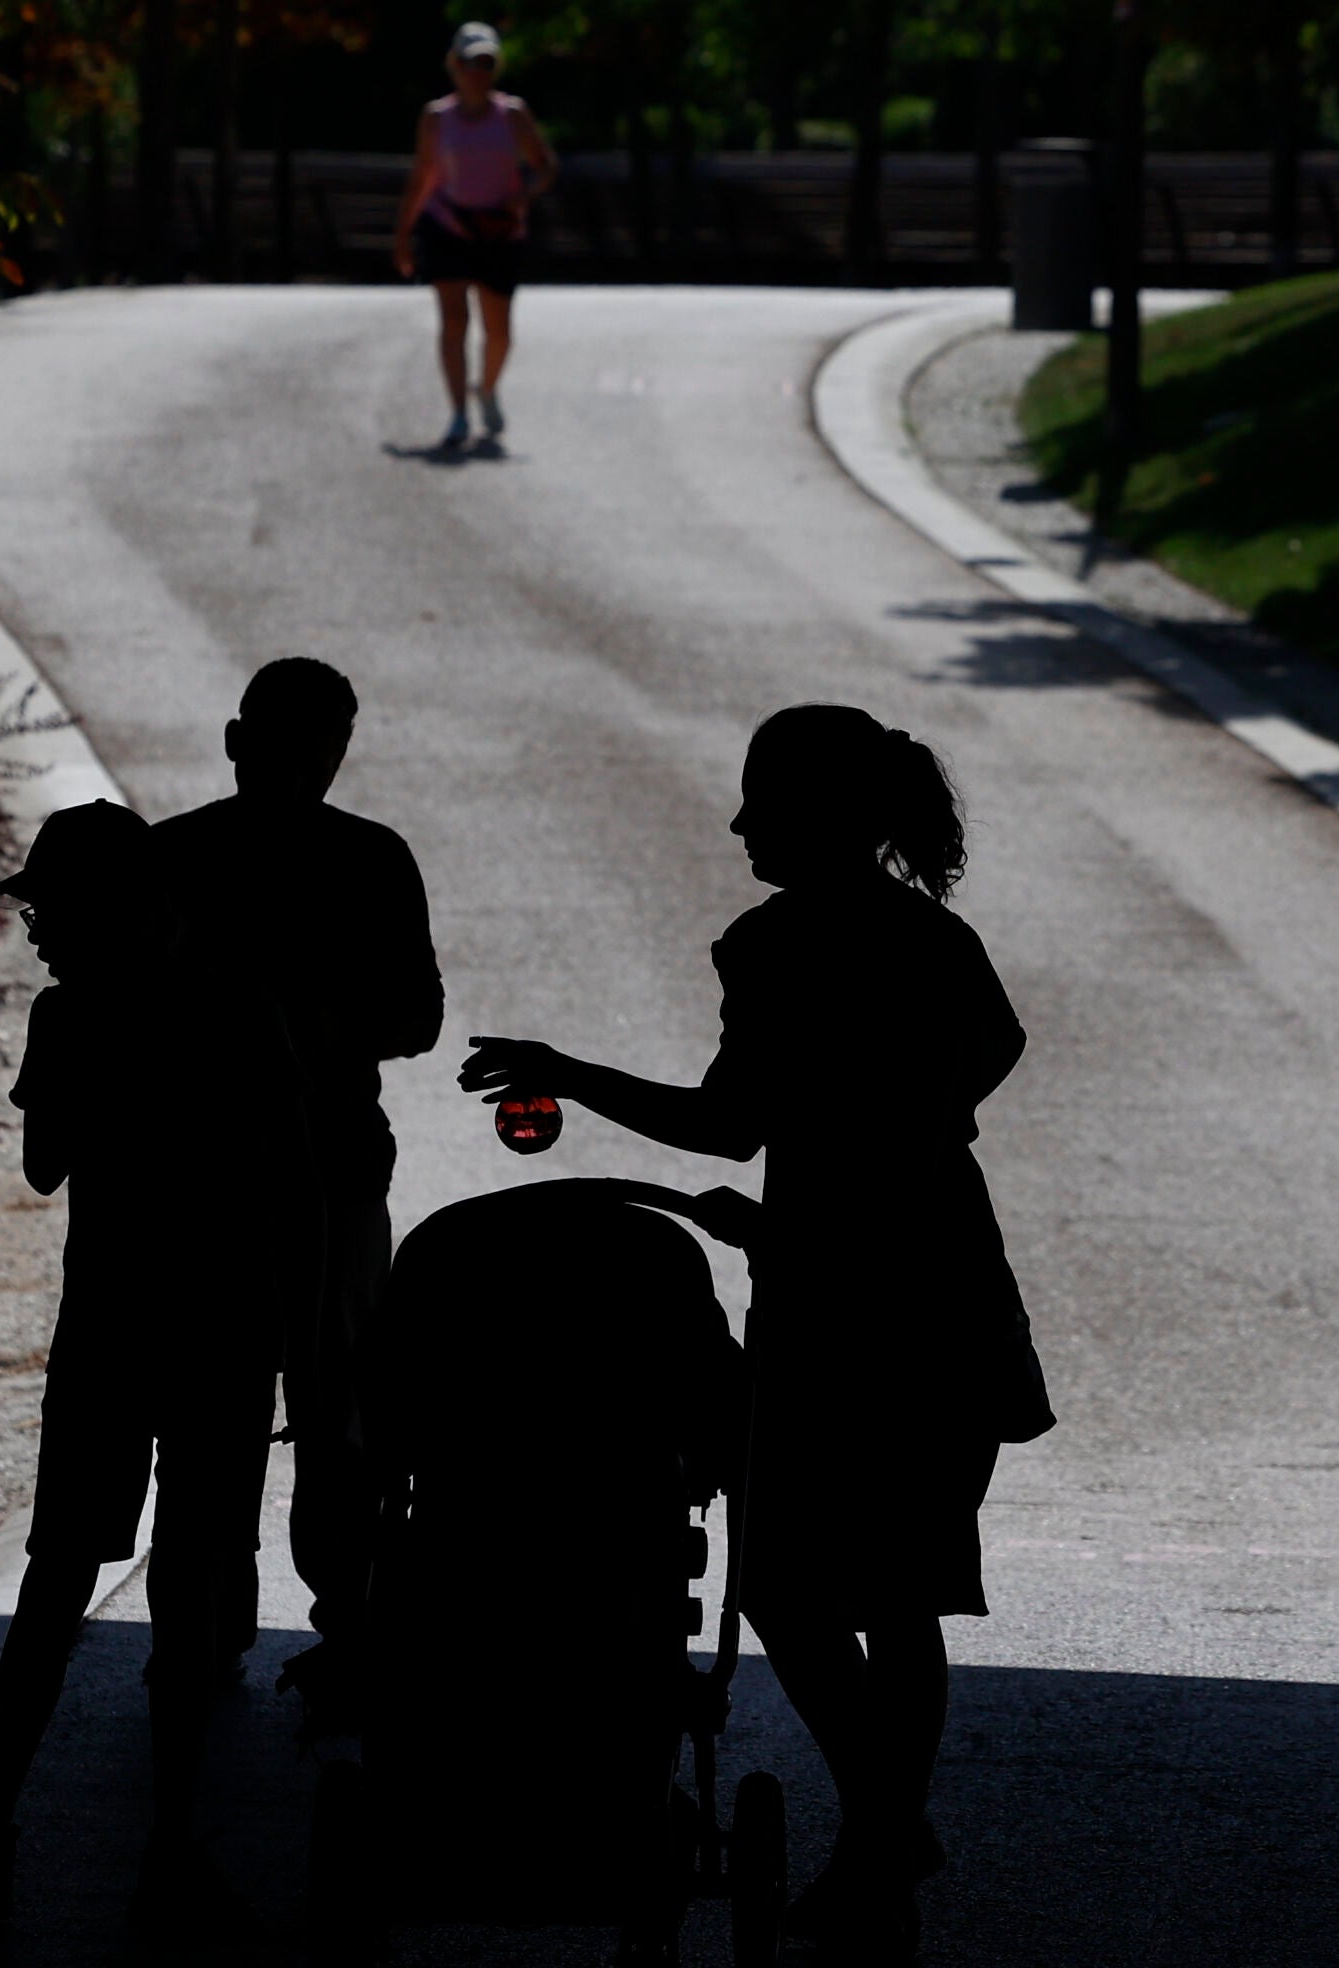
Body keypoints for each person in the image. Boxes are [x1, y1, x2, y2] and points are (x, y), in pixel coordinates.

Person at [457, 706, 1053, 1963]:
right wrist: (904, 1138)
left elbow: (729, 1127)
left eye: (756, 803)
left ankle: (881, 1831)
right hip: (943, 1281)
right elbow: (991, 1051)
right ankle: (885, 1830)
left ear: (820, 814)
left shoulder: (771, 947)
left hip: (832, 1297)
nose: (735, 825)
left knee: (785, 1586)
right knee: (904, 1595)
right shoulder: (937, 941)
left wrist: (564, 1072)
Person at [0, 799, 316, 1934]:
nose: (38, 934)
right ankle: (171, 1850)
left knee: (57, 1580)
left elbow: (42, 1166)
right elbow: (293, 1184)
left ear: (111, 910)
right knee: (189, 1589)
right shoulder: (241, 1011)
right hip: (222, 1331)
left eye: (50, 913)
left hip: (113, 1331)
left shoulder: (68, 1022)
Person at [155, 659, 443, 1717]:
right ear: (240, 744)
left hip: (237, 1169)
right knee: (319, 1404)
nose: (305, 769)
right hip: (298, 1162)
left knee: (253, 1403)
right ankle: (326, 1618)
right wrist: (337, 1029)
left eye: (318, 750)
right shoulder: (366, 859)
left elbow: (415, 1014)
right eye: (294, 747)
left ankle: (231, 1620)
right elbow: (414, 1015)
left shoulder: (176, 857)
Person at [391, 21, 559, 450]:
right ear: (455, 66)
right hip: (448, 224)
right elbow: (422, 176)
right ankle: (458, 415)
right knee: (453, 321)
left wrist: (523, 198)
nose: (477, 71)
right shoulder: (436, 118)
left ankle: (485, 388)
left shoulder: (513, 115)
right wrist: (403, 233)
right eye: (470, 62)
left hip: (498, 230)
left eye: (486, 63)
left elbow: (544, 166)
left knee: (498, 330)